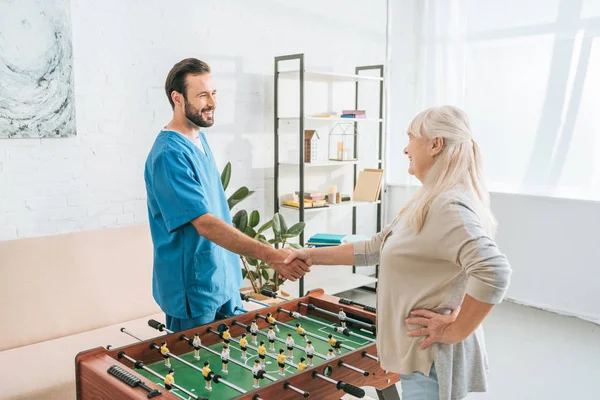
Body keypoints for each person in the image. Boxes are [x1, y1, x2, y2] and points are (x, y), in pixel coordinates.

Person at [284, 105, 512, 400]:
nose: (405, 149)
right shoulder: (428, 199)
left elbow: (494, 271)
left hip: (430, 359)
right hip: (415, 354)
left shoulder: (448, 206)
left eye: (410, 138)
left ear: (435, 144)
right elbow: (376, 248)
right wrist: (311, 256)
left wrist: (456, 330)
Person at [144, 58, 310, 332]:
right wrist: (270, 255)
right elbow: (205, 223)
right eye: (202, 95)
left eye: (214, 93)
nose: (212, 103)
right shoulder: (169, 155)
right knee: (197, 369)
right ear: (177, 98)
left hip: (223, 278)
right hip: (194, 288)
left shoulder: (197, 138)